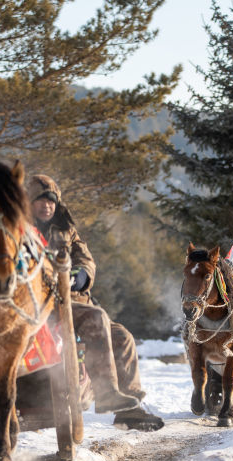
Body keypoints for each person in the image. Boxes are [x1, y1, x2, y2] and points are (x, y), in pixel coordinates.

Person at [26, 174, 164, 431]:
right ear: (28, 203)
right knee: (97, 318)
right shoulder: (20, 231)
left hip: (74, 301)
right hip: (40, 306)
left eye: (51, 201)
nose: (47, 206)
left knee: (122, 337)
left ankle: (128, 409)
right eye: (40, 201)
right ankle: (106, 393)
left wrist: (82, 274)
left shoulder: (66, 230)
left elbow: (85, 259)